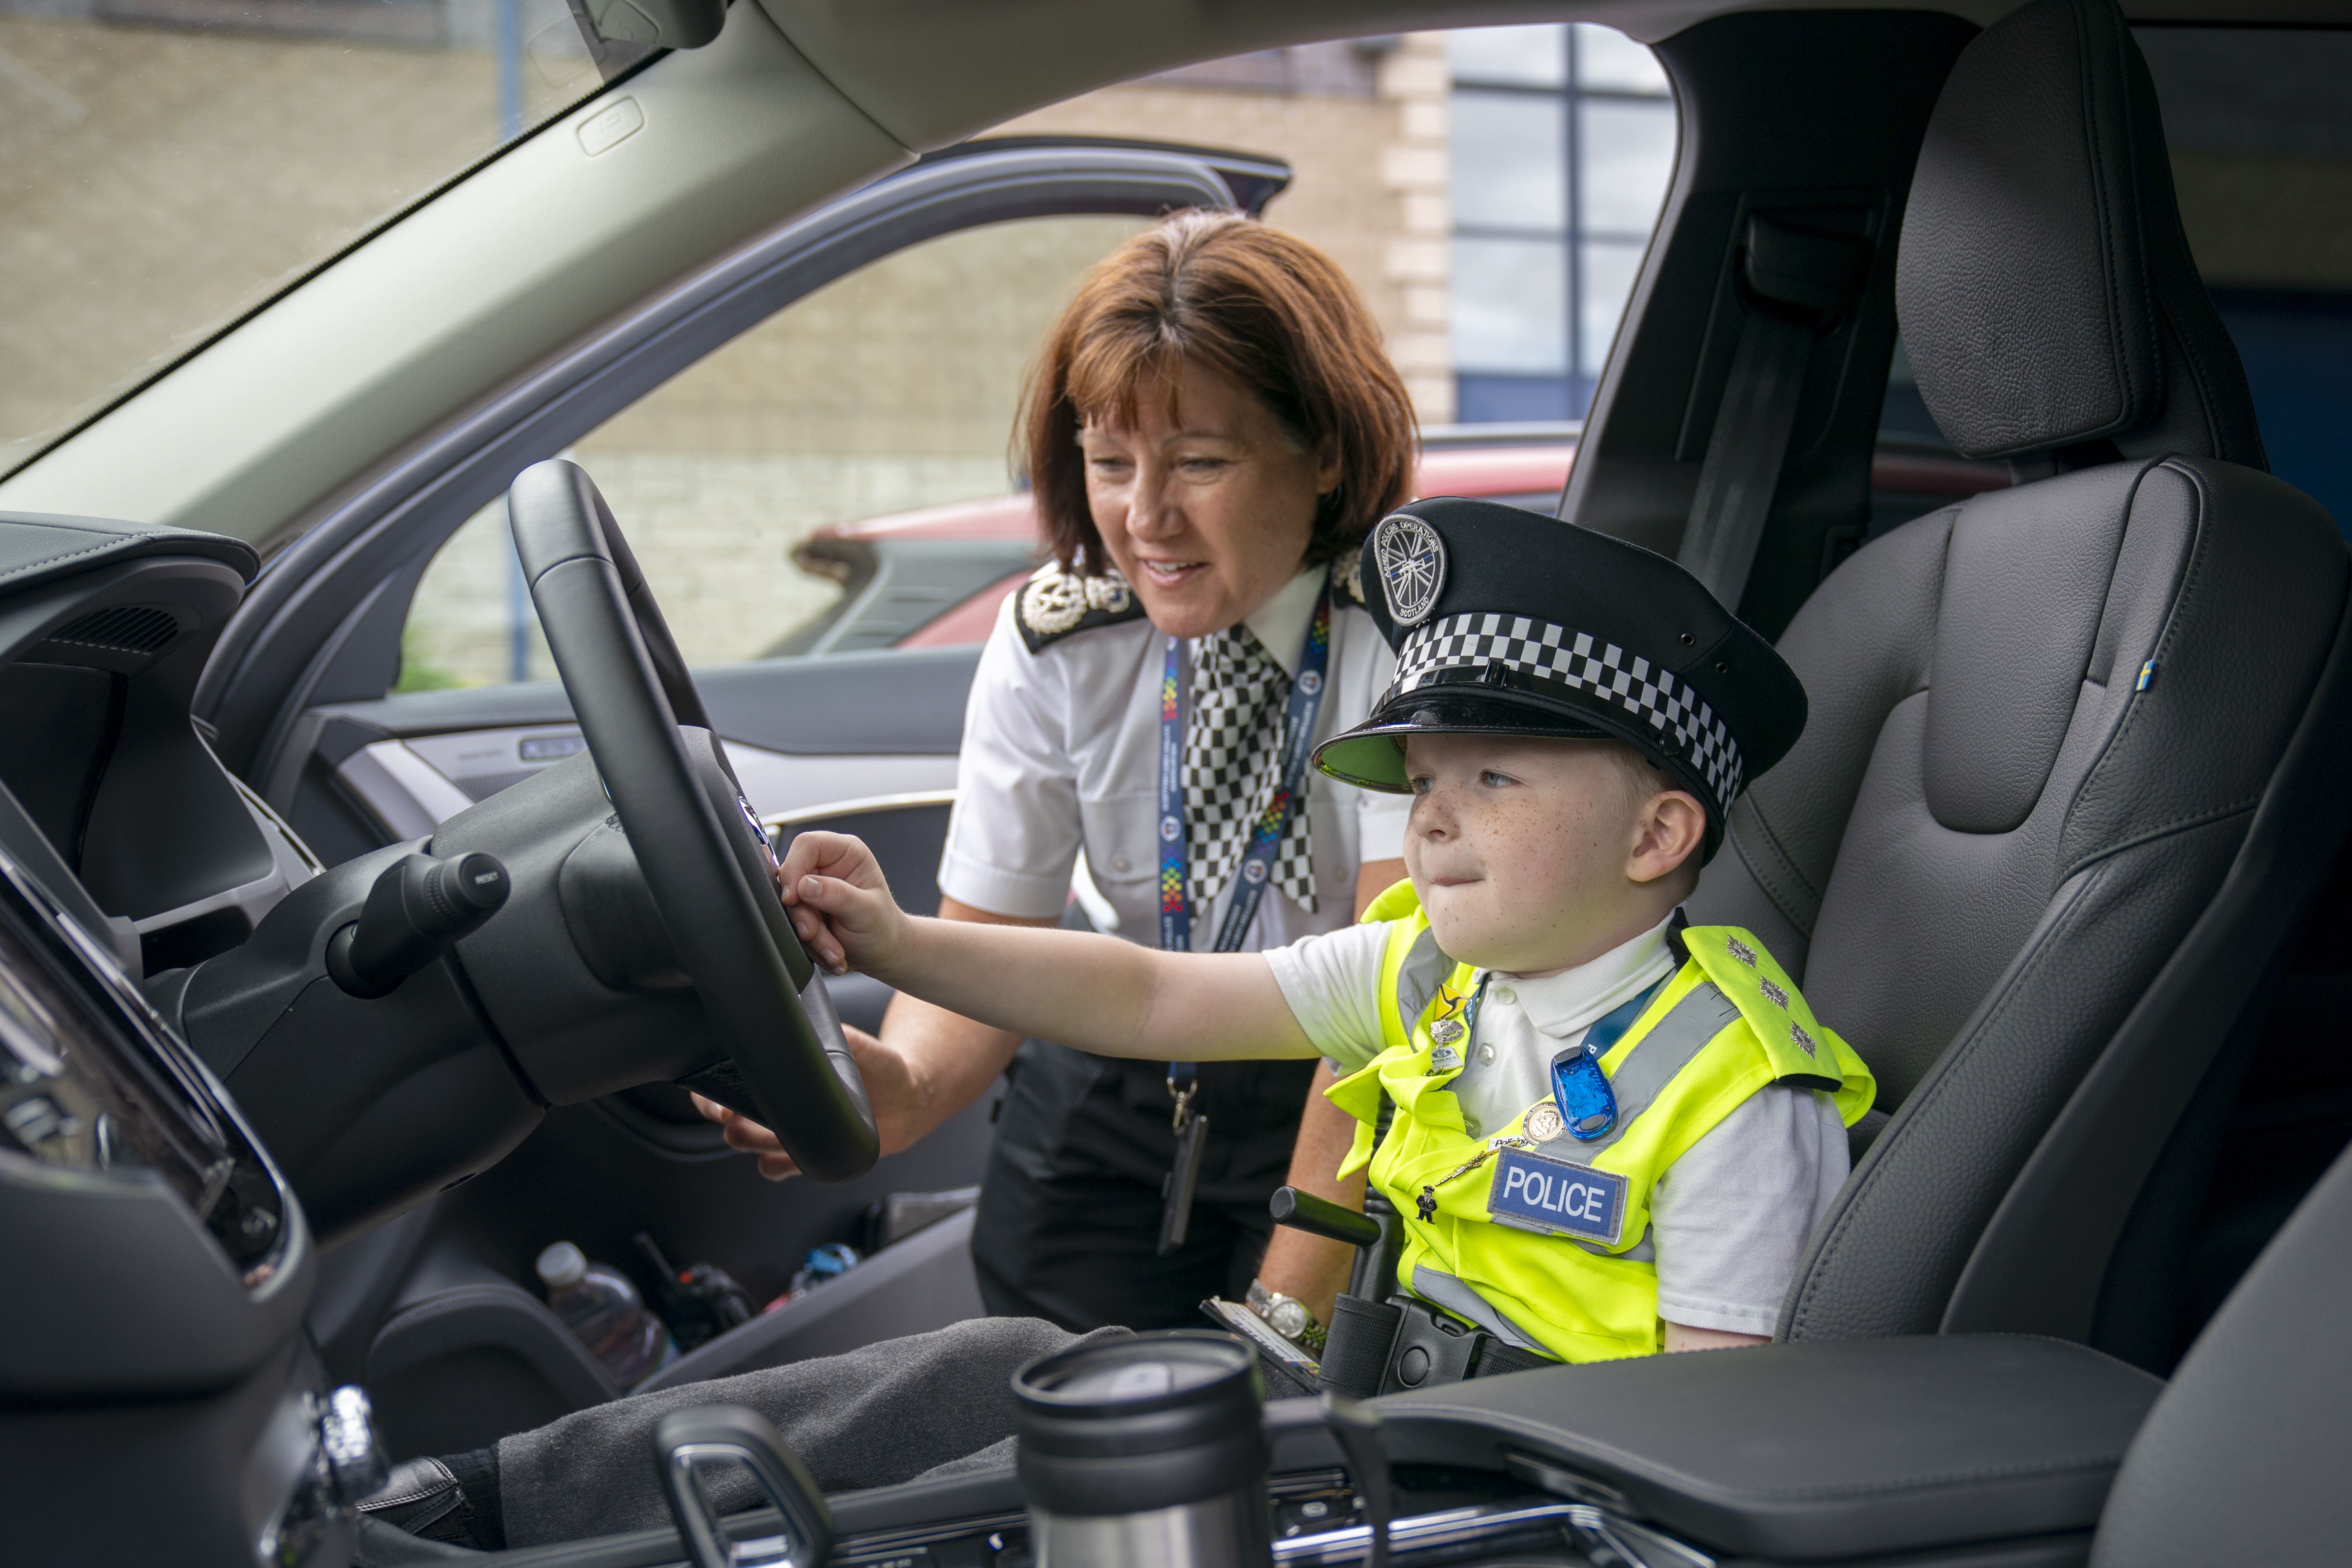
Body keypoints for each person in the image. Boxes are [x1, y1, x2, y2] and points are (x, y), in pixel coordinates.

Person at [361, 498, 1876, 1552]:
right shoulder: (1433, 967)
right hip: (1366, 1415)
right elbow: (1148, 990)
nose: (1431, 814)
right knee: (1007, 1362)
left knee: (1051, 1470)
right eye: (1420, 778)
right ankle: (480, 1509)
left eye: (1495, 780)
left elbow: (1705, 1440)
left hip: (1506, 1496)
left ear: (1659, 829)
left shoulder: (1742, 1090)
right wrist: (895, 935)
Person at [699, 209, 1416, 1342]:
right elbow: (992, 921)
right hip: (1105, 1077)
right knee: (1043, 1406)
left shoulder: (1402, 644)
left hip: (1335, 1092)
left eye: (1201, 463)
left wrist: (1289, 1311)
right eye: (1110, 464)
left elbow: (1390, 1015)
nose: (1145, 519)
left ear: (1322, 451)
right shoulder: (1057, 641)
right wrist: (909, 1089)